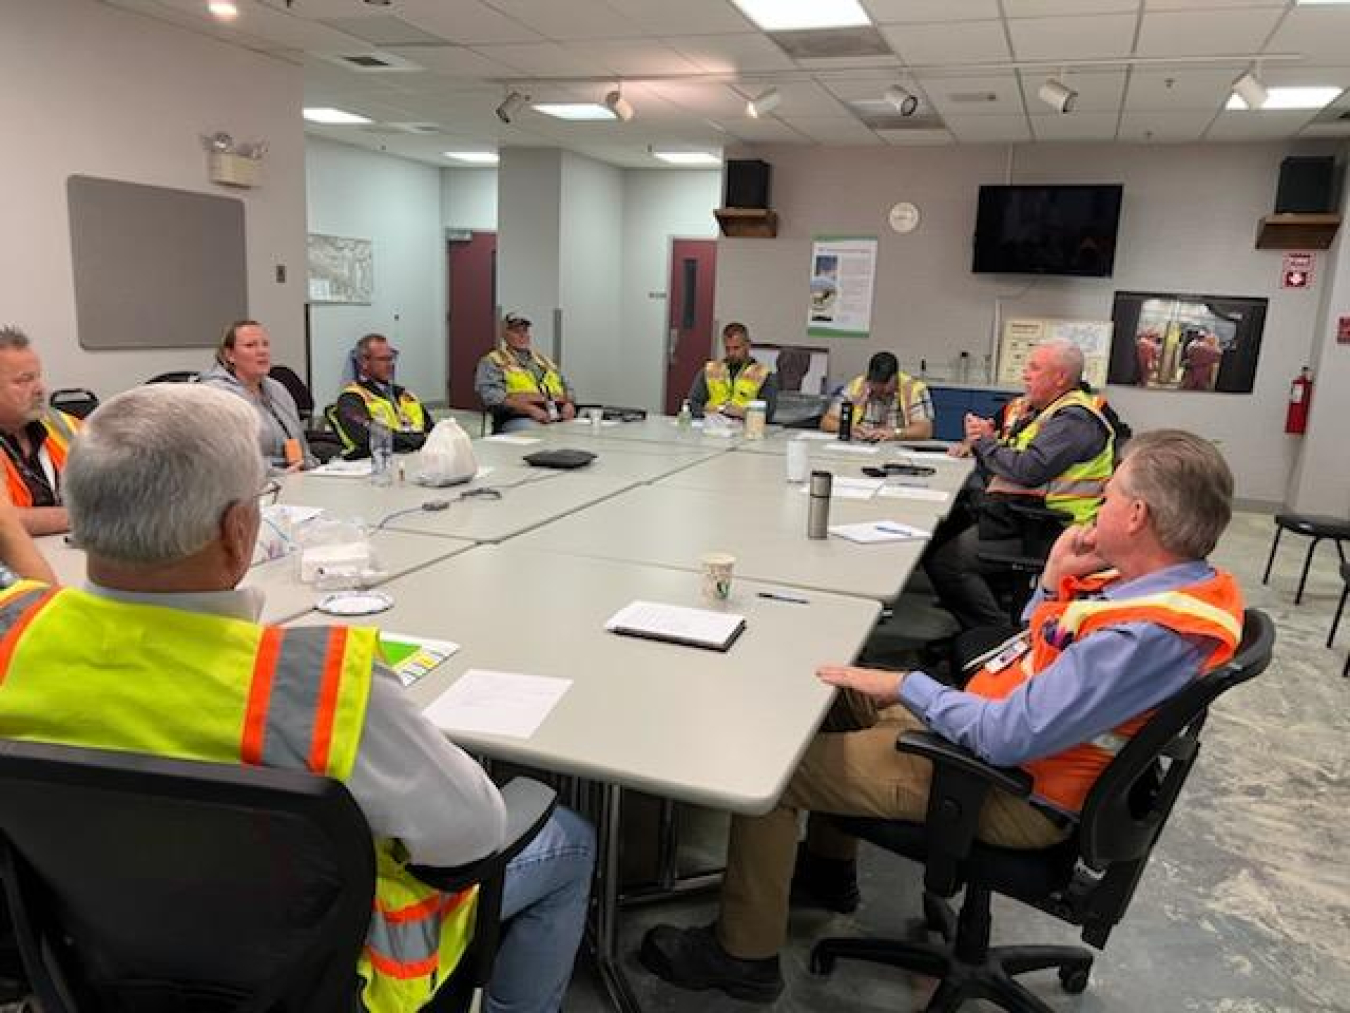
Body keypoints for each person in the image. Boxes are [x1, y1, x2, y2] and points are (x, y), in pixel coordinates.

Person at [0, 383, 594, 1013]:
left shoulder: (12, 631)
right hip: (329, 977)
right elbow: (470, 840)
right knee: (571, 840)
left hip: (90, 956)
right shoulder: (318, 684)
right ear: (239, 530)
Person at [640, 429, 1245, 1003]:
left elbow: (1009, 735)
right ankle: (827, 874)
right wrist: (1055, 581)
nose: (1096, 507)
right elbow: (1042, 650)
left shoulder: (1144, 634)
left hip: (1007, 785)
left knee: (771, 771)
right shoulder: (1165, 588)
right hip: (1001, 737)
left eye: (1109, 495)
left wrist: (909, 686)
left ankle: (742, 958)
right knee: (824, 696)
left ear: (1137, 515)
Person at [924, 340, 1115, 630]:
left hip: (1054, 527)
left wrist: (985, 443)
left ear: (1060, 377)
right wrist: (988, 440)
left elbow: (1027, 470)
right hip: (1021, 514)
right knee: (941, 529)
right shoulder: (1043, 413)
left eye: (1034, 368)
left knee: (949, 563)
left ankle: (1000, 635)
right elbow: (1013, 459)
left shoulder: (1074, 420)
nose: (1025, 374)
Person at [199, 320, 317, 470]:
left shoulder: (278, 389)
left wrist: (312, 468)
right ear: (230, 355)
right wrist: (279, 473)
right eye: (250, 345)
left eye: (265, 344)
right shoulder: (217, 396)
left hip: (297, 478)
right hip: (249, 484)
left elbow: (301, 446)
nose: (262, 351)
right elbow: (226, 460)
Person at [0, 326, 81, 536]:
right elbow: (5, 520)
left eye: (37, 377)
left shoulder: (62, 425)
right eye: (23, 380)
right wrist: (85, 517)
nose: (40, 389)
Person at [332, 333, 433, 457]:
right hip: (374, 463)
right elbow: (367, 436)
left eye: (391, 358)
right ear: (364, 362)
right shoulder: (351, 398)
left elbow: (432, 431)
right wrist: (416, 439)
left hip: (417, 459)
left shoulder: (405, 395)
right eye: (382, 359)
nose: (390, 364)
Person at [474, 314, 575, 433]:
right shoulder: (493, 361)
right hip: (518, 418)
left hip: (556, 415)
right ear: (504, 335)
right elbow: (491, 396)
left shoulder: (544, 360)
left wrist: (569, 404)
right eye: (516, 331)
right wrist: (530, 410)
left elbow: (567, 387)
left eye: (525, 331)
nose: (522, 335)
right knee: (540, 433)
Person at [820, 351, 933, 442]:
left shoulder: (913, 389)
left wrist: (895, 433)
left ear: (894, 377)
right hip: (860, 446)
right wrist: (850, 429)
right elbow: (826, 422)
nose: (878, 389)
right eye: (874, 383)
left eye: (884, 385)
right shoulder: (857, 385)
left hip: (896, 447)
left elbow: (925, 430)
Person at [687, 323, 778, 421]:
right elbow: (692, 403)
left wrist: (741, 413)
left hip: (746, 428)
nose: (731, 353)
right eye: (727, 348)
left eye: (736, 348)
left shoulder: (763, 375)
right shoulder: (710, 370)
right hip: (712, 426)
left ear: (748, 345)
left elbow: (767, 413)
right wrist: (716, 411)